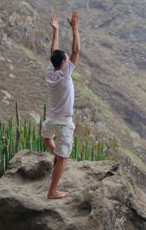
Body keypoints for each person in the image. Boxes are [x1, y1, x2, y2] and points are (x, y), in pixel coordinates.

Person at [41, 11, 80, 199]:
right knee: (63, 158)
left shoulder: (51, 72)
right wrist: (75, 29)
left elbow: (53, 52)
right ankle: (52, 191)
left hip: (51, 120)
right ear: (64, 63)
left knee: (47, 139)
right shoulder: (65, 73)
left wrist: (55, 31)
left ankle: (55, 154)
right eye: (66, 58)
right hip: (64, 122)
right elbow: (76, 51)